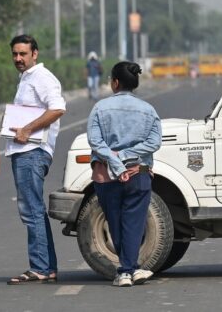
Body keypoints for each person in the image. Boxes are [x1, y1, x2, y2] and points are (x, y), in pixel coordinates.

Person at [86, 61, 161, 287]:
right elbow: (154, 142)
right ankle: (132, 269)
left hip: (107, 176)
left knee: (115, 222)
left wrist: (115, 159)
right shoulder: (148, 109)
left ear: (115, 83)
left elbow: (95, 141)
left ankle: (126, 270)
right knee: (134, 223)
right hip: (138, 173)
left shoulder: (100, 108)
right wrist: (129, 154)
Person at [5, 34, 65, 284]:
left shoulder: (41, 77)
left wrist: (28, 129)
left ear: (35, 54)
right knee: (34, 210)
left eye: (23, 54)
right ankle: (47, 266)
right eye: (15, 54)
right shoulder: (27, 78)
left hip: (32, 152)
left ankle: (39, 266)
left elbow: (58, 107)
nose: (18, 59)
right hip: (24, 152)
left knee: (31, 211)